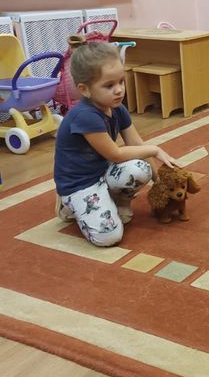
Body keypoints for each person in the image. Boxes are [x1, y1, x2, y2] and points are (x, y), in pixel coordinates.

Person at [54, 39, 178, 247]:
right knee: (108, 237)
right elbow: (115, 155)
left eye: (121, 81)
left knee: (141, 168)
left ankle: (117, 201)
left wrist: (160, 183)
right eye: (109, 85)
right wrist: (155, 149)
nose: (119, 90)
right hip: (80, 184)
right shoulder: (84, 115)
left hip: (103, 172)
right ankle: (69, 205)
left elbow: (137, 144)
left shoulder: (117, 108)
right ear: (85, 89)